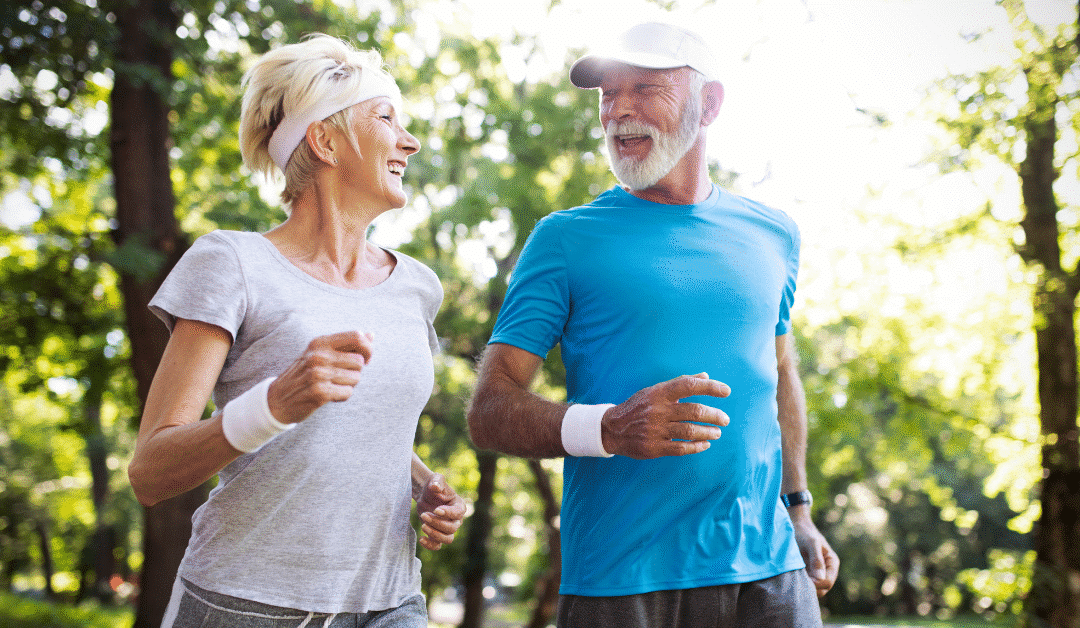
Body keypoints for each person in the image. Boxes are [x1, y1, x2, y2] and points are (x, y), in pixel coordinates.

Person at [467, 21, 839, 628]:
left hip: (770, 574)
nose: (618, 111)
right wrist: (608, 428)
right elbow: (488, 410)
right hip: (622, 580)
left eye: (642, 88)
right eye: (607, 94)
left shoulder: (774, 234)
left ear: (709, 103)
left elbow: (779, 374)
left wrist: (798, 507)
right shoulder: (564, 239)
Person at [127, 34, 466, 628]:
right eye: (387, 118)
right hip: (246, 602)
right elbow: (151, 473)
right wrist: (275, 403)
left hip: (391, 601)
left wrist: (422, 483)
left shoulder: (417, 285)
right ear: (325, 139)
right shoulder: (232, 263)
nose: (409, 141)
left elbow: (352, 430)